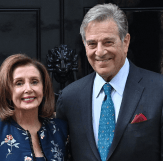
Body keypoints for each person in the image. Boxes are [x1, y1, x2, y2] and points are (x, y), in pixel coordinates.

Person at [56, 3, 163, 161]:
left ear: (125, 42)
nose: (99, 52)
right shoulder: (70, 98)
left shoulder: (159, 89)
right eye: (92, 44)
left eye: (108, 42)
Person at [0, 54, 68, 161]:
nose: (28, 89)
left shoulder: (60, 129)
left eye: (34, 82)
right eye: (19, 83)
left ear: (44, 88)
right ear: (7, 92)